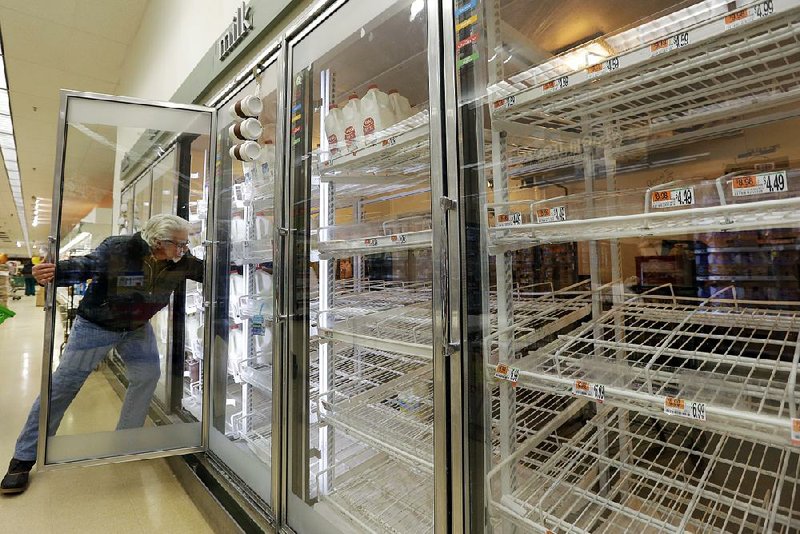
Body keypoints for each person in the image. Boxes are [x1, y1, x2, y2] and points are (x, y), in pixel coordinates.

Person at [1, 214, 203, 495]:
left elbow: (208, 271)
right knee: (63, 386)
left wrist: (257, 265)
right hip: (97, 326)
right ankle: (22, 458)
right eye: (179, 245)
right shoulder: (120, 248)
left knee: (147, 376)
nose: (184, 250)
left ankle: (125, 440)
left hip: (135, 327)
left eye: (185, 245)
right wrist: (53, 273)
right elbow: (86, 266)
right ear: (158, 242)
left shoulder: (179, 260)